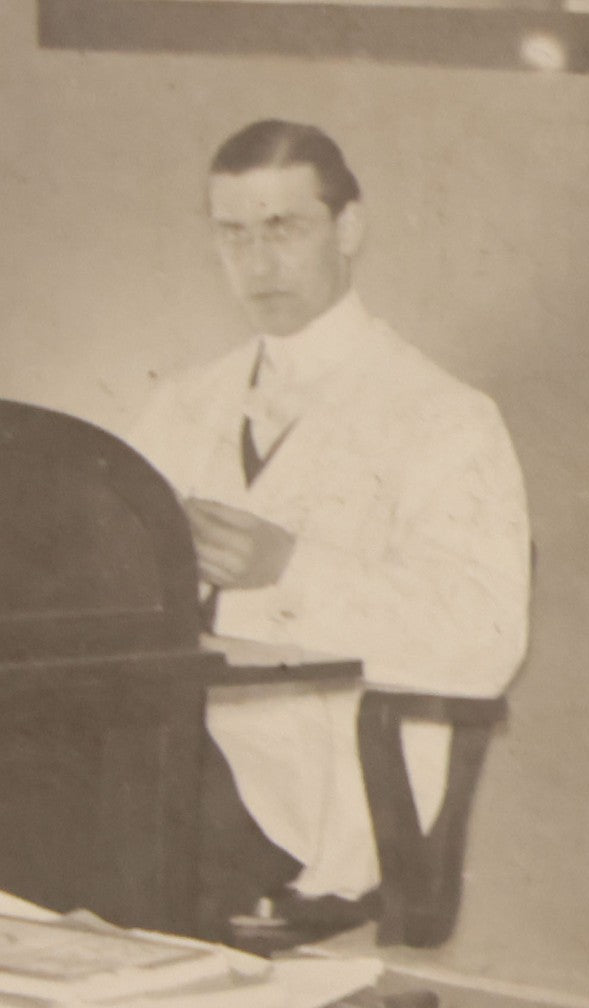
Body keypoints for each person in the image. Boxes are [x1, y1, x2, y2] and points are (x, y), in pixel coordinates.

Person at [130, 118, 530, 942]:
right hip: (169, 745)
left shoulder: (445, 417)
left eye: (283, 227)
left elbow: (484, 639)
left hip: (322, 778)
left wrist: (289, 569)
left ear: (348, 228)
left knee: (72, 816)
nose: (257, 262)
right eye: (233, 233)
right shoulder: (179, 405)